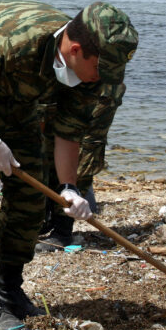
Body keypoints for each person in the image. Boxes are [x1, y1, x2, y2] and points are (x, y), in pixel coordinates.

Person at [0, 0, 137, 330]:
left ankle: (8, 288)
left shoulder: (92, 70)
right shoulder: (15, 43)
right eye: (100, 68)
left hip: (21, 101)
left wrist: (69, 188)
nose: (102, 78)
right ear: (74, 48)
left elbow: (67, 133)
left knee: (31, 198)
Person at [36, 79, 126, 251]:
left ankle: (63, 231)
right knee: (48, 146)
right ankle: (48, 218)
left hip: (97, 89)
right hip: (64, 83)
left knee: (83, 153)